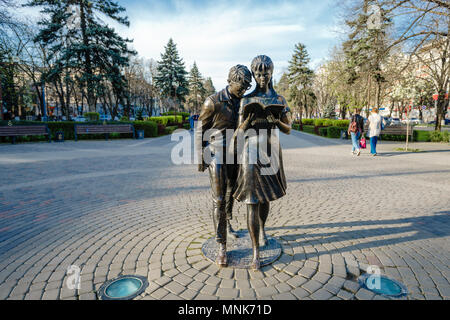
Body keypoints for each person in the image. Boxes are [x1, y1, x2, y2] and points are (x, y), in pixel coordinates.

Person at [233, 55, 292, 271]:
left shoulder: (280, 99)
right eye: (257, 73)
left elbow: (288, 128)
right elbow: (239, 131)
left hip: (271, 151)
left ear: (271, 72)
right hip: (250, 151)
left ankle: (263, 229)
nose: (261, 77)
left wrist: (276, 121)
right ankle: (256, 250)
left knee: (265, 198)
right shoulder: (246, 100)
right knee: (252, 199)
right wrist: (247, 121)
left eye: (265, 72)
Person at [196, 65, 252, 267]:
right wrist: (201, 159)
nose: (244, 89)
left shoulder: (244, 101)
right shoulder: (213, 102)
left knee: (231, 192)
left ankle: (227, 224)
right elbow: (199, 128)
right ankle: (222, 246)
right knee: (218, 199)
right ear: (232, 81)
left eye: (247, 86)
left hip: (235, 153)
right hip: (216, 153)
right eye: (242, 86)